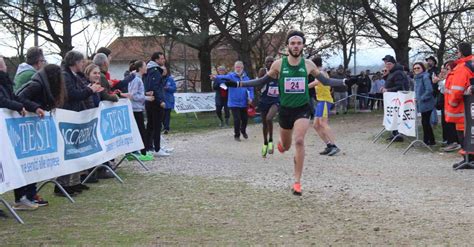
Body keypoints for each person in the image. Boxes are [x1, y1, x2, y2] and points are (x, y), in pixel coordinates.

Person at [222, 30, 345, 196]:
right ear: (287, 46)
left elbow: (326, 81)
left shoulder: (308, 64)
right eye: (292, 43)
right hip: (286, 110)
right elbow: (261, 81)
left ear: (303, 45)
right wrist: (238, 84)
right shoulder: (278, 65)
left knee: (300, 141)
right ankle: (281, 144)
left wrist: (345, 81)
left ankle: (297, 182)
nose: (295, 46)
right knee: (286, 146)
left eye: (299, 43)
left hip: (302, 108)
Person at [58, 50, 105, 195]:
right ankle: (63, 185)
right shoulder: (65, 76)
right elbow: (72, 95)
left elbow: (79, 91)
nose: (83, 64)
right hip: (68, 114)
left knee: (76, 150)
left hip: (76, 114)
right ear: (75, 62)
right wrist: (90, 91)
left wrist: (89, 90)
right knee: (68, 150)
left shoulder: (75, 76)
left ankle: (75, 181)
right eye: (82, 62)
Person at [0, 56, 43, 210]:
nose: (5, 67)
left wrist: (34, 107)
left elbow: (15, 97)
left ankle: (21, 197)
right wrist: (18, 106)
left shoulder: (5, 82)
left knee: (20, 162)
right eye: (3, 65)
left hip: (9, 131)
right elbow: (3, 101)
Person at [445, 42, 474, 169]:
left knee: (463, 133)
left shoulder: (462, 67)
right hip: (470, 106)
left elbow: (457, 90)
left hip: (462, 107)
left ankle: (468, 158)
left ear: (460, 52)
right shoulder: (471, 63)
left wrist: (452, 103)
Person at [211, 61, 254, 141]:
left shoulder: (246, 78)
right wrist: (215, 78)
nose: (238, 69)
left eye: (239, 67)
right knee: (237, 119)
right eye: (236, 67)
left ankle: (243, 130)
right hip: (233, 103)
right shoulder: (231, 76)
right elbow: (223, 77)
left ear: (242, 68)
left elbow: (251, 89)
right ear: (234, 68)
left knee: (245, 119)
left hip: (244, 102)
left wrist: (251, 98)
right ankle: (236, 135)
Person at [309, 56, 340, 156]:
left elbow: (317, 82)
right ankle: (329, 145)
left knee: (323, 123)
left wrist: (303, 86)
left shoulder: (321, 73)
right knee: (316, 125)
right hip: (321, 101)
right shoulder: (319, 72)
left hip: (325, 100)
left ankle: (334, 146)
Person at [127, 60, 155, 161]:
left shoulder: (137, 78)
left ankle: (131, 153)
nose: (146, 68)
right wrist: (146, 98)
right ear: (140, 68)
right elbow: (132, 95)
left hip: (137, 108)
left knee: (137, 131)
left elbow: (136, 93)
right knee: (141, 131)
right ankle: (143, 154)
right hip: (135, 109)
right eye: (145, 66)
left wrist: (146, 94)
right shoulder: (136, 79)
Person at [144, 51, 171, 156]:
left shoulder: (150, 70)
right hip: (155, 102)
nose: (163, 60)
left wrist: (163, 76)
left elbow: (157, 84)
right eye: (162, 58)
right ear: (156, 60)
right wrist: (161, 101)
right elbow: (155, 87)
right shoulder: (154, 70)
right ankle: (157, 149)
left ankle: (149, 147)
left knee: (150, 125)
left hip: (150, 100)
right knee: (156, 125)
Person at [381, 55, 409, 142]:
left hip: (397, 99)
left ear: (393, 63)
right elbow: (391, 82)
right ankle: (394, 134)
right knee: (393, 116)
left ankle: (398, 135)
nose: (387, 66)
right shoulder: (392, 72)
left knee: (397, 116)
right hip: (392, 99)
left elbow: (399, 86)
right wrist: (385, 77)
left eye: (389, 64)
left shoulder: (398, 72)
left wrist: (387, 90)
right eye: (386, 64)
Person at [434, 61, 460, 152]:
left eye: (447, 69)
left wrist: (440, 80)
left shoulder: (453, 78)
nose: (444, 70)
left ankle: (454, 142)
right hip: (446, 103)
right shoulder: (447, 77)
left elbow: (448, 89)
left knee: (451, 124)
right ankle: (449, 141)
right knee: (446, 123)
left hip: (452, 104)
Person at [257, 56, 279, 157]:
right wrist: (264, 78)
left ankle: (271, 140)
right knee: (264, 124)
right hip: (264, 101)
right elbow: (258, 87)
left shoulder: (279, 72)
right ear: (265, 64)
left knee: (269, 118)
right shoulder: (263, 72)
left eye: (271, 61)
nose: (270, 63)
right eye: (268, 62)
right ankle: (265, 142)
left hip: (275, 101)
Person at [413, 62, 436, 146]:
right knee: (424, 122)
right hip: (421, 103)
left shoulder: (425, 77)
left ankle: (429, 141)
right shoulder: (416, 78)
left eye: (418, 68)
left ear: (422, 68)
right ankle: (428, 140)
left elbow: (429, 90)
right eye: (415, 68)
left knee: (425, 122)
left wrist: (421, 98)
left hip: (427, 103)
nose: (416, 70)